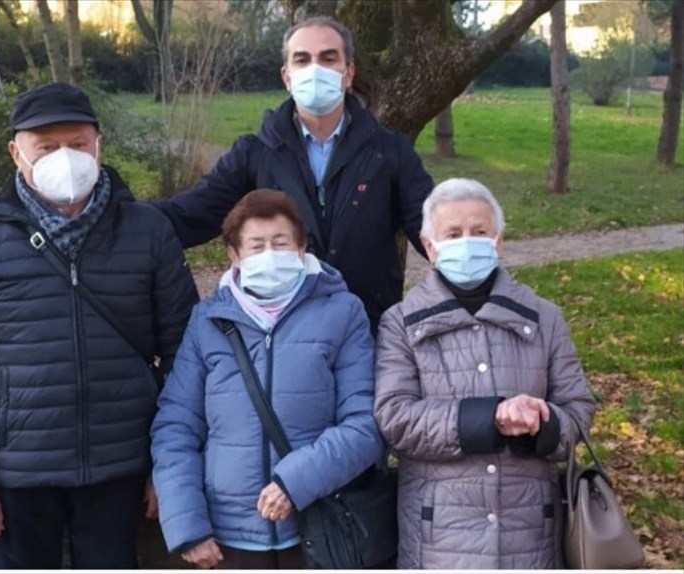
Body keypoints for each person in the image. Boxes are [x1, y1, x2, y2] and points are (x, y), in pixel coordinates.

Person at [0, 82, 199, 569]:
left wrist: (170, 469)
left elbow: (188, 357)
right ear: (16, 153)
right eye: (46, 147)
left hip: (120, 470)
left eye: (77, 144)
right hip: (17, 479)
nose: (65, 159)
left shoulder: (147, 230)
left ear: (98, 145)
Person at [150, 189, 385, 569]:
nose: (269, 255)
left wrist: (296, 483)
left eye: (280, 242)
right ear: (234, 255)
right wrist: (187, 526)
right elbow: (176, 427)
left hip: (317, 525)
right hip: (227, 538)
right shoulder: (207, 321)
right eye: (256, 245)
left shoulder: (343, 312)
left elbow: (366, 424)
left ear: (302, 247)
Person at [155, 16, 434, 333]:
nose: (315, 69)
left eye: (328, 58)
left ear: (349, 73)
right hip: (286, 334)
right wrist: (118, 214)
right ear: (287, 77)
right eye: (302, 59)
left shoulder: (389, 151)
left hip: (369, 331)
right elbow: (190, 214)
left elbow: (435, 231)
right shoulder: (255, 153)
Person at [374, 178, 597, 569]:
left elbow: (578, 413)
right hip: (438, 539)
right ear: (429, 246)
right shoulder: (400, 322)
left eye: (479, 232)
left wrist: (540, 423)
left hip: (531, 534)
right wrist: (491, 417)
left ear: (498, 240)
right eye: (454, 233)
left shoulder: (545, 317)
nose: (467, 242)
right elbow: (395, 419)